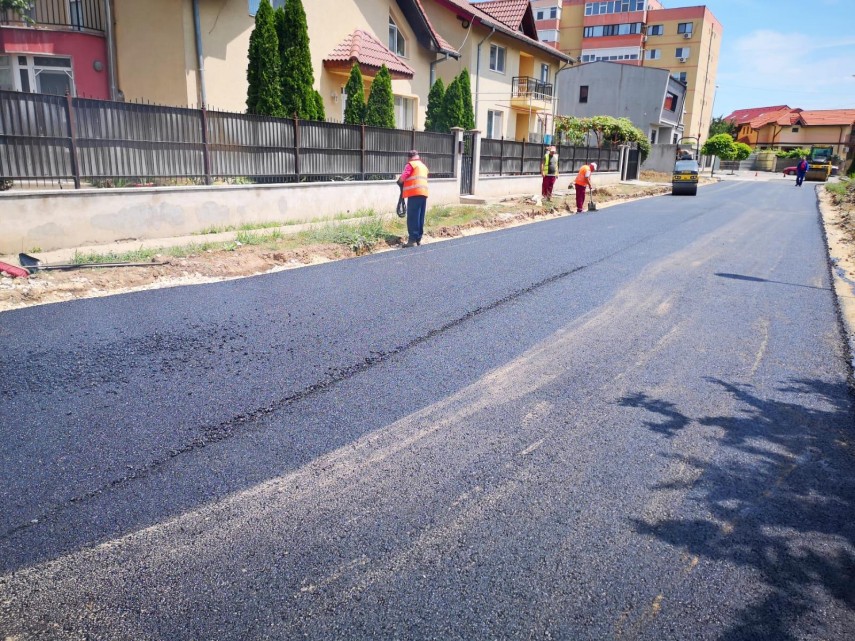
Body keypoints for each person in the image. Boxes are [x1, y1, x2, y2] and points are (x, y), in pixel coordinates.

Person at [397, 150, 429, 247]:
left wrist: (399, 181)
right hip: (424, 193)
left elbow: (404, 176)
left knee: (413, 217)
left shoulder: (411, 164)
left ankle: (412, 240)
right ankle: (418, 238)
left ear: (409, 157)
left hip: (414, 193)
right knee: (420, 217)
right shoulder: (423, 166)